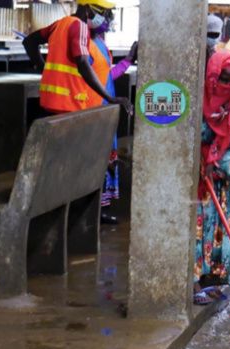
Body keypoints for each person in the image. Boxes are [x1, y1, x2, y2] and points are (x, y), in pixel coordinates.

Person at [194, 50, 230, 305]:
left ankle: (213, 280)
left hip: (220, 178)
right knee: (198, 229)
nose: (225, 85)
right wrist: (199, 162)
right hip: (196, 180)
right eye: (222, 78)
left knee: (219, 229)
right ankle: (195, 282)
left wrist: (217, 162)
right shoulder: (196, 102)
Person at [23, 0, 131, 115]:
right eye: (104, 12)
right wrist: (110, 98)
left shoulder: (60, 23)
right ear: (87, 9)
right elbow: (82, 63)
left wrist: (44, 70)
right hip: (70, 102)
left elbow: (29, 42)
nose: (106, 17)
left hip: (50, 100)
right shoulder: (80, 26)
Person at [91, 21, 138, 225]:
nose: (107, 20)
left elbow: (107, 75)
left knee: (109, 161)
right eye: (105, 14)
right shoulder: (84, 43)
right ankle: (96, 210)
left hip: (106, 107)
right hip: (95, 107)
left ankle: (104, 206)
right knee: (99, 161)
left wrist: (128, 60)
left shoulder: (99, 42)